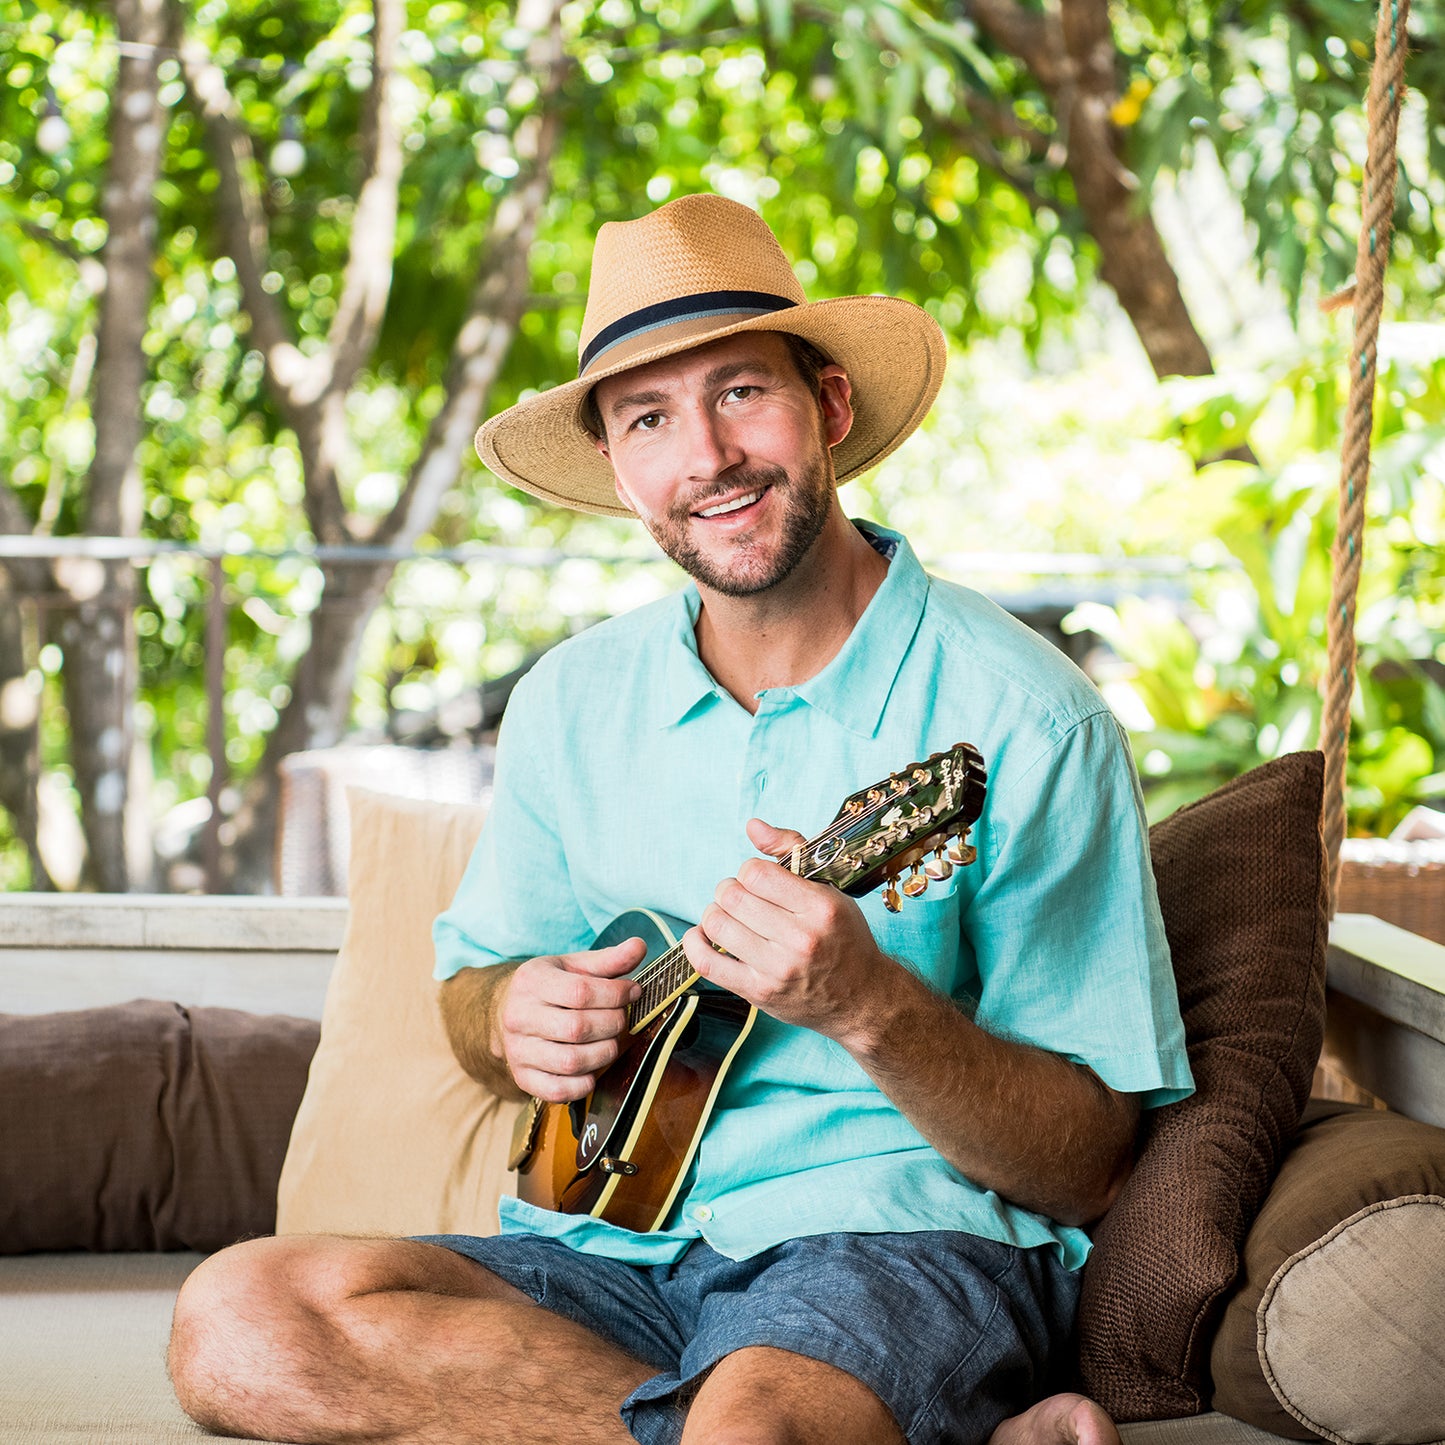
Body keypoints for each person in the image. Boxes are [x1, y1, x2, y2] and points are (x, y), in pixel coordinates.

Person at [168, 193, 1192, 1445]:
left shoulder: (1025, 719)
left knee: (750, 1428)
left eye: (739, 393)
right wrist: (510, 1016)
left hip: (885, 1242)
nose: (703, 456)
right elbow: (471, 995)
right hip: (606, 1239)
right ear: (616, 466)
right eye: (648, 416)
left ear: (828, 405)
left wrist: (869, 1002)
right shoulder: (568, 700)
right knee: (238, 1319)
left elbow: (1086, 1160)